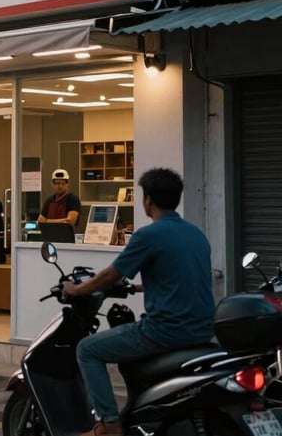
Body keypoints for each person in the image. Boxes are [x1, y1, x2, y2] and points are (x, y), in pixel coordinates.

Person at [62, 168, 214, 436]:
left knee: (87, 349)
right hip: (202, 330)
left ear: (147, 200)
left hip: (165, 331)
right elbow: (179, 277)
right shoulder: (195, 234)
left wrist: (77, 290)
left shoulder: (148, 235)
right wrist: (137, 287)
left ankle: (110, 425)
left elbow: (110, 275)